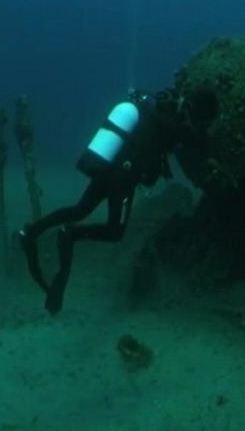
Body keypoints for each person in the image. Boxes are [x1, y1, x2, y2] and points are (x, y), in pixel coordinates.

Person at [17, 88, 196, 314]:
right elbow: (181, 145)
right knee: (114, 232)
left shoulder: (144, 116)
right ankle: (71, 235)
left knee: (79, 210)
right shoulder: (166, 129)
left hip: (106, 170)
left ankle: (32, 232)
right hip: (122, 182)